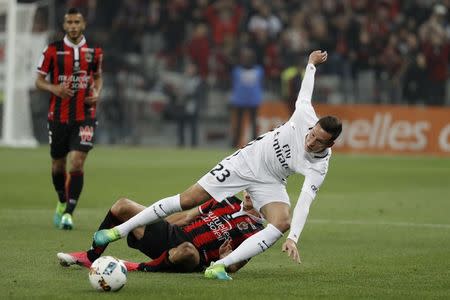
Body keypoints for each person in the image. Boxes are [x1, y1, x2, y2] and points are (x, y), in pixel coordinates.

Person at [94, 50, 342, 280]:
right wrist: (311, 64)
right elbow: (306, 90)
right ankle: (120, 230)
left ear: (329, 145)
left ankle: (219, 266)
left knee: (282, 222)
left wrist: (293, 238)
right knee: (188, 199)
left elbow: (305, 203)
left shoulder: (318, 167)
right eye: (311, 134)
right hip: (245, 162)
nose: (310, 141)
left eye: (318, 141)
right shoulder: (304, 116)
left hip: (271, 180)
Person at [57, 193, 264, 273]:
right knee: (122, 206)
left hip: (193, 258)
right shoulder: (225, 200)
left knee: (187, 251)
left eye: (255, 190)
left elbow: (235, 266)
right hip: (170, 234)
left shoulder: (257, 233)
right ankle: (90, 256)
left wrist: (225, 259)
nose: (248, 192)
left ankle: (137, 267)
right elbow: (186, 217)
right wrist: (155, 223)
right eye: (249, 187)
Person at [35, 8, 103, 230]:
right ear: (64, 26)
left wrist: (97, 93)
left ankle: (68, 214)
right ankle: (62, 200)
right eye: (69, 22)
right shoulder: (52, 50)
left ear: (83, 25)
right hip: (58, 116)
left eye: (77, 22)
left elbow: (98, 76)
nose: (73, 26)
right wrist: (55, 88)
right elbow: (38, 81)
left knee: (77, 161)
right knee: (57, 165)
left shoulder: (94, 51)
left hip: (85, 116)